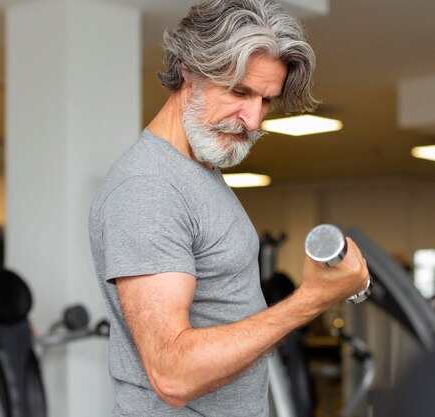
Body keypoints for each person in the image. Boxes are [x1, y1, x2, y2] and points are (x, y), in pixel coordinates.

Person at [88, 0, 370, 416]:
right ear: (188, 72)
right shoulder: (147, 188)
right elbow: (172, 373)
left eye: (266, 101)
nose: (254, 120)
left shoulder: (201, 171)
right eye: (240, 92)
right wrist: (310, 300)